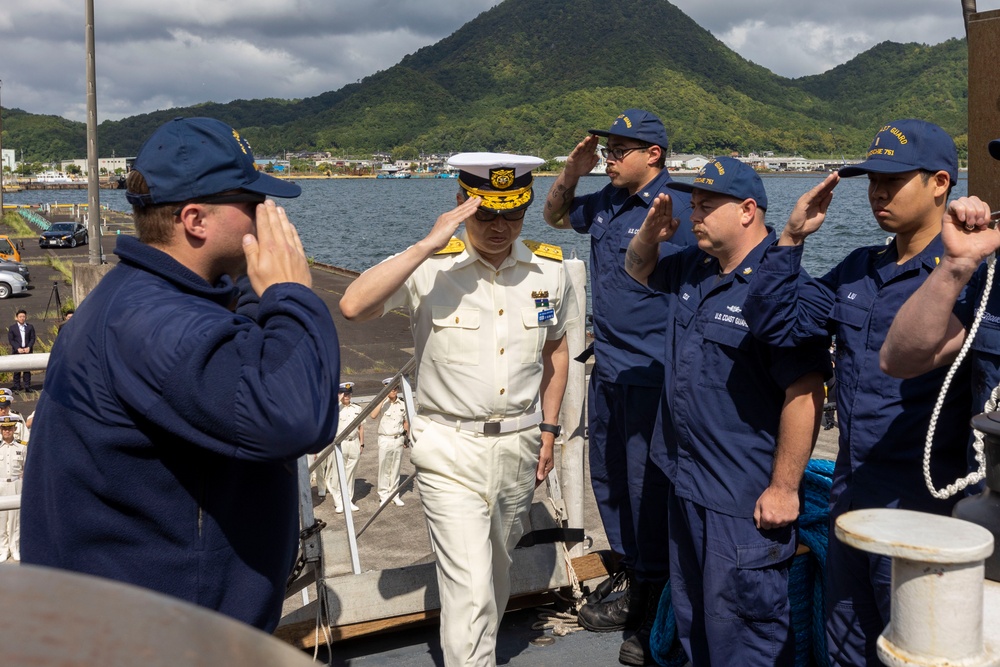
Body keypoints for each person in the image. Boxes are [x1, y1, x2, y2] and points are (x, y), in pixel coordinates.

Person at [19, 117, 342, 632]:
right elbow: (296, 418)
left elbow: (241, 352)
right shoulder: (158, 325)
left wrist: (258, 292)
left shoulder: (145, 300)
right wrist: (292, 294)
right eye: (251, 202)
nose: (268, 215)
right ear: (195, 219)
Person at [741, 119, 972, 666]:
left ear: (940, 183)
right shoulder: (858, 270)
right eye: (872, 179)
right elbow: (774, 323)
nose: (878, 191)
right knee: (847, 645)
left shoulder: (967, 277)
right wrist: (792, 238)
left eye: (894, 179)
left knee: (921, 649)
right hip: (853, 487)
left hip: (927, 502)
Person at [340, 152, 578, 667]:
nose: (499, 227)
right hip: (448, 446)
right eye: (486, 213)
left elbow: (555, 350)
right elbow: (354, 306)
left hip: (520, 444)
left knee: (494, 574)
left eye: (511, 214)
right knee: (470, 583)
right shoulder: (429, 266)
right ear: (462, 205)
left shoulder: (549, 271)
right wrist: (428, 241)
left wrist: (550, 429)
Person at [624, 157, 829, 665]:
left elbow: (805, 393)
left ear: (747, 211)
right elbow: (636, 268)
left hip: (743, 499)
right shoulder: (696, 268)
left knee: (744, 636)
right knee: (694, 621)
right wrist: (650, 233)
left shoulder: (783, 291)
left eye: (706, 206)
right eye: (693, 204)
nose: (694, 216)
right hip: (687, 481)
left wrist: (783, 488)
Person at [542, 109, 695, 664]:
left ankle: (655, 607)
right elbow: (555, 216)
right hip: (608, 366)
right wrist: (573, 172)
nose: (608, 157)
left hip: (654, 373)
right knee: (610, 480)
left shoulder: (676, 206)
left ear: (654, 153)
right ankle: (634, 579)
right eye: (605, 149)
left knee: (649, 487)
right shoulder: (607, 200)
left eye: (619, 149)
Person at [324, 381, 363, 513]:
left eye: (348, 393)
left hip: (354, 443)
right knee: (337, 474)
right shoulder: (335, 409)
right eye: (344, 393)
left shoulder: (357, 408)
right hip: (340, 444)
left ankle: (348, 500)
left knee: (350, 474)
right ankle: (338, 502)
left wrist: (362, 443)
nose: (347, 396)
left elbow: (360, 427)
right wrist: (337, 400)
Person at [371, 377, 409, 507]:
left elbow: (405, 422)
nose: (393, 391)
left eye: (395, 388)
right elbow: (373, 415)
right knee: (384, 469)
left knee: (396, 468)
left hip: (398, 439)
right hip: (385, 439)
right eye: (390, 388)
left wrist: (406, 437)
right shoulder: (382, 403)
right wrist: (383, 399)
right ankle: (383, 495)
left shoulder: (402, 404)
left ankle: (394, 495)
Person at [0, 415, 26, 562]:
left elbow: (26, 467)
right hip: (1, 484)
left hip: (16, 483)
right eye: (4, 428)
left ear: (15, 429)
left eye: (9, 428)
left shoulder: (22, 446)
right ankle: (3, 549)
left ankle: (15, 547)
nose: (7, 431)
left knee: (16, 518)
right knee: (1, 519)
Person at [7, 309, 35, 391]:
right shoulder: (12, 328)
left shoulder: (30, 327)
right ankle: (17, 386)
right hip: (17, 351)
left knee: (27, 369)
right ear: (16, 318)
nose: (22, 318)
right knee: (17, 369)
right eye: (20, 316)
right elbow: (11, 340)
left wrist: (29, 347)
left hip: (27, 350)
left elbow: (32, 338)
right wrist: (18, 348)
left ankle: (27, 386)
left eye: (23, 316)